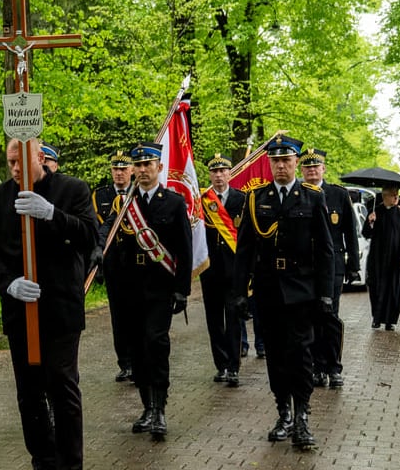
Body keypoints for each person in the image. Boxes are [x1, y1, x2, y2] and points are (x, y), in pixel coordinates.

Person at [0, 138, 97, 470]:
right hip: (20, 310)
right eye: (9, 162)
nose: (13, 169)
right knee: (29, 392)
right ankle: (43, 463)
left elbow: (91, 236)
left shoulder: (72, 190)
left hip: (59, 307)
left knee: (62, 387)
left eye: (19, 161)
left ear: (40, 158)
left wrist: (52, 214)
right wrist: (8, 284)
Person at [233, 135, 334, 450]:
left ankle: (302, 416)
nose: (280, 166)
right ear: (270, 163)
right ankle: (283, 413)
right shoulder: (256, 199)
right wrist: (239, 292)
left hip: (302, 290)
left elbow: (326, 251)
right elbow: (245, 250)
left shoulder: (313, 198)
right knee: (275, 353)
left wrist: (326, 294)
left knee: (301, 353)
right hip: (268, 289)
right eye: (275, 161)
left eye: (286, 160)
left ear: (295, 163)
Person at [101, 142, 192, 441]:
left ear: (159, 168)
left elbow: (184, 249)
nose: (142, 170)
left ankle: (160, 408)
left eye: (147, 165)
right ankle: (146, 407)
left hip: (160, 287)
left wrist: (182, 289)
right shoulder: (124, 203)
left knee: (156, 343)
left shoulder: (174, 203)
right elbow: (115, 246)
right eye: (137, 166)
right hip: (129, 288)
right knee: (137, 348)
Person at [298, 148, 359, 389]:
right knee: (310, 317)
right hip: (305, 267)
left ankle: (333, 367)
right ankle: (315, 366)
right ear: (302, 170)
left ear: (323, 168)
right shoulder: (298, 193)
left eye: (316, 166)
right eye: (307, 167)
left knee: (329, 315)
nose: (312, 171)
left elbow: (350, 232)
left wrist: (353, 265)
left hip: (332, 266)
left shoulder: (338, 195)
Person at [200, 153, 246, 387]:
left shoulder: (243, 200)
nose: (218, 175)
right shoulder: (202, 201)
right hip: (210, 271)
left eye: (222, 171)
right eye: (214, 172)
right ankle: (221, 365)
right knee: (214, 320)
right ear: (210, 174)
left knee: (234, 319)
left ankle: (234, 367)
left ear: (230, 173)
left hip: (235, 272)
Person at [91, 149, 134, 382]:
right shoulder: (100, 195)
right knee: (118, 315)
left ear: (131, 171)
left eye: (123, 169)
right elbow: (97, 226)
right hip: (113, 262)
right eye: (115, 169)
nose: (119, 173)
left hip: (137, 263)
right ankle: (125, 363)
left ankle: (139, 360)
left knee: (137, 313)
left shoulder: (138, 193)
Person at [363, 186, 400, 330]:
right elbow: (366, 233)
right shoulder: (376, 212)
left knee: (394, 289)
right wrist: (369, 222)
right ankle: (377, 318)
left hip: (396, 258)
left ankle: (390, 320)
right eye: (393, 195)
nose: (396, 198)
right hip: (377, 257)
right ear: (385, 197)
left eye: (397, 195)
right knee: (376, 288)